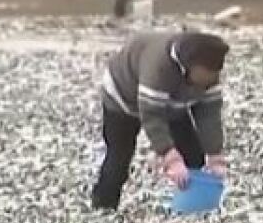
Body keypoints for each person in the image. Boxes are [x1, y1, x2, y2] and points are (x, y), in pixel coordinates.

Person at [91, 31, 228, 211]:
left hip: (172, 102)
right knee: (119, 157)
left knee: (193, 156)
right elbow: (152, 114)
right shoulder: (159, 66)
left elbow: (209, 112)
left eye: (213, 76)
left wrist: (215, 154)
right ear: (188, 65)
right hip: (122, 97)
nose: (209, 81)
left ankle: (191, 205)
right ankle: (103, 206)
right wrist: (169, 156)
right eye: (204, 76)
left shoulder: (209, 72)